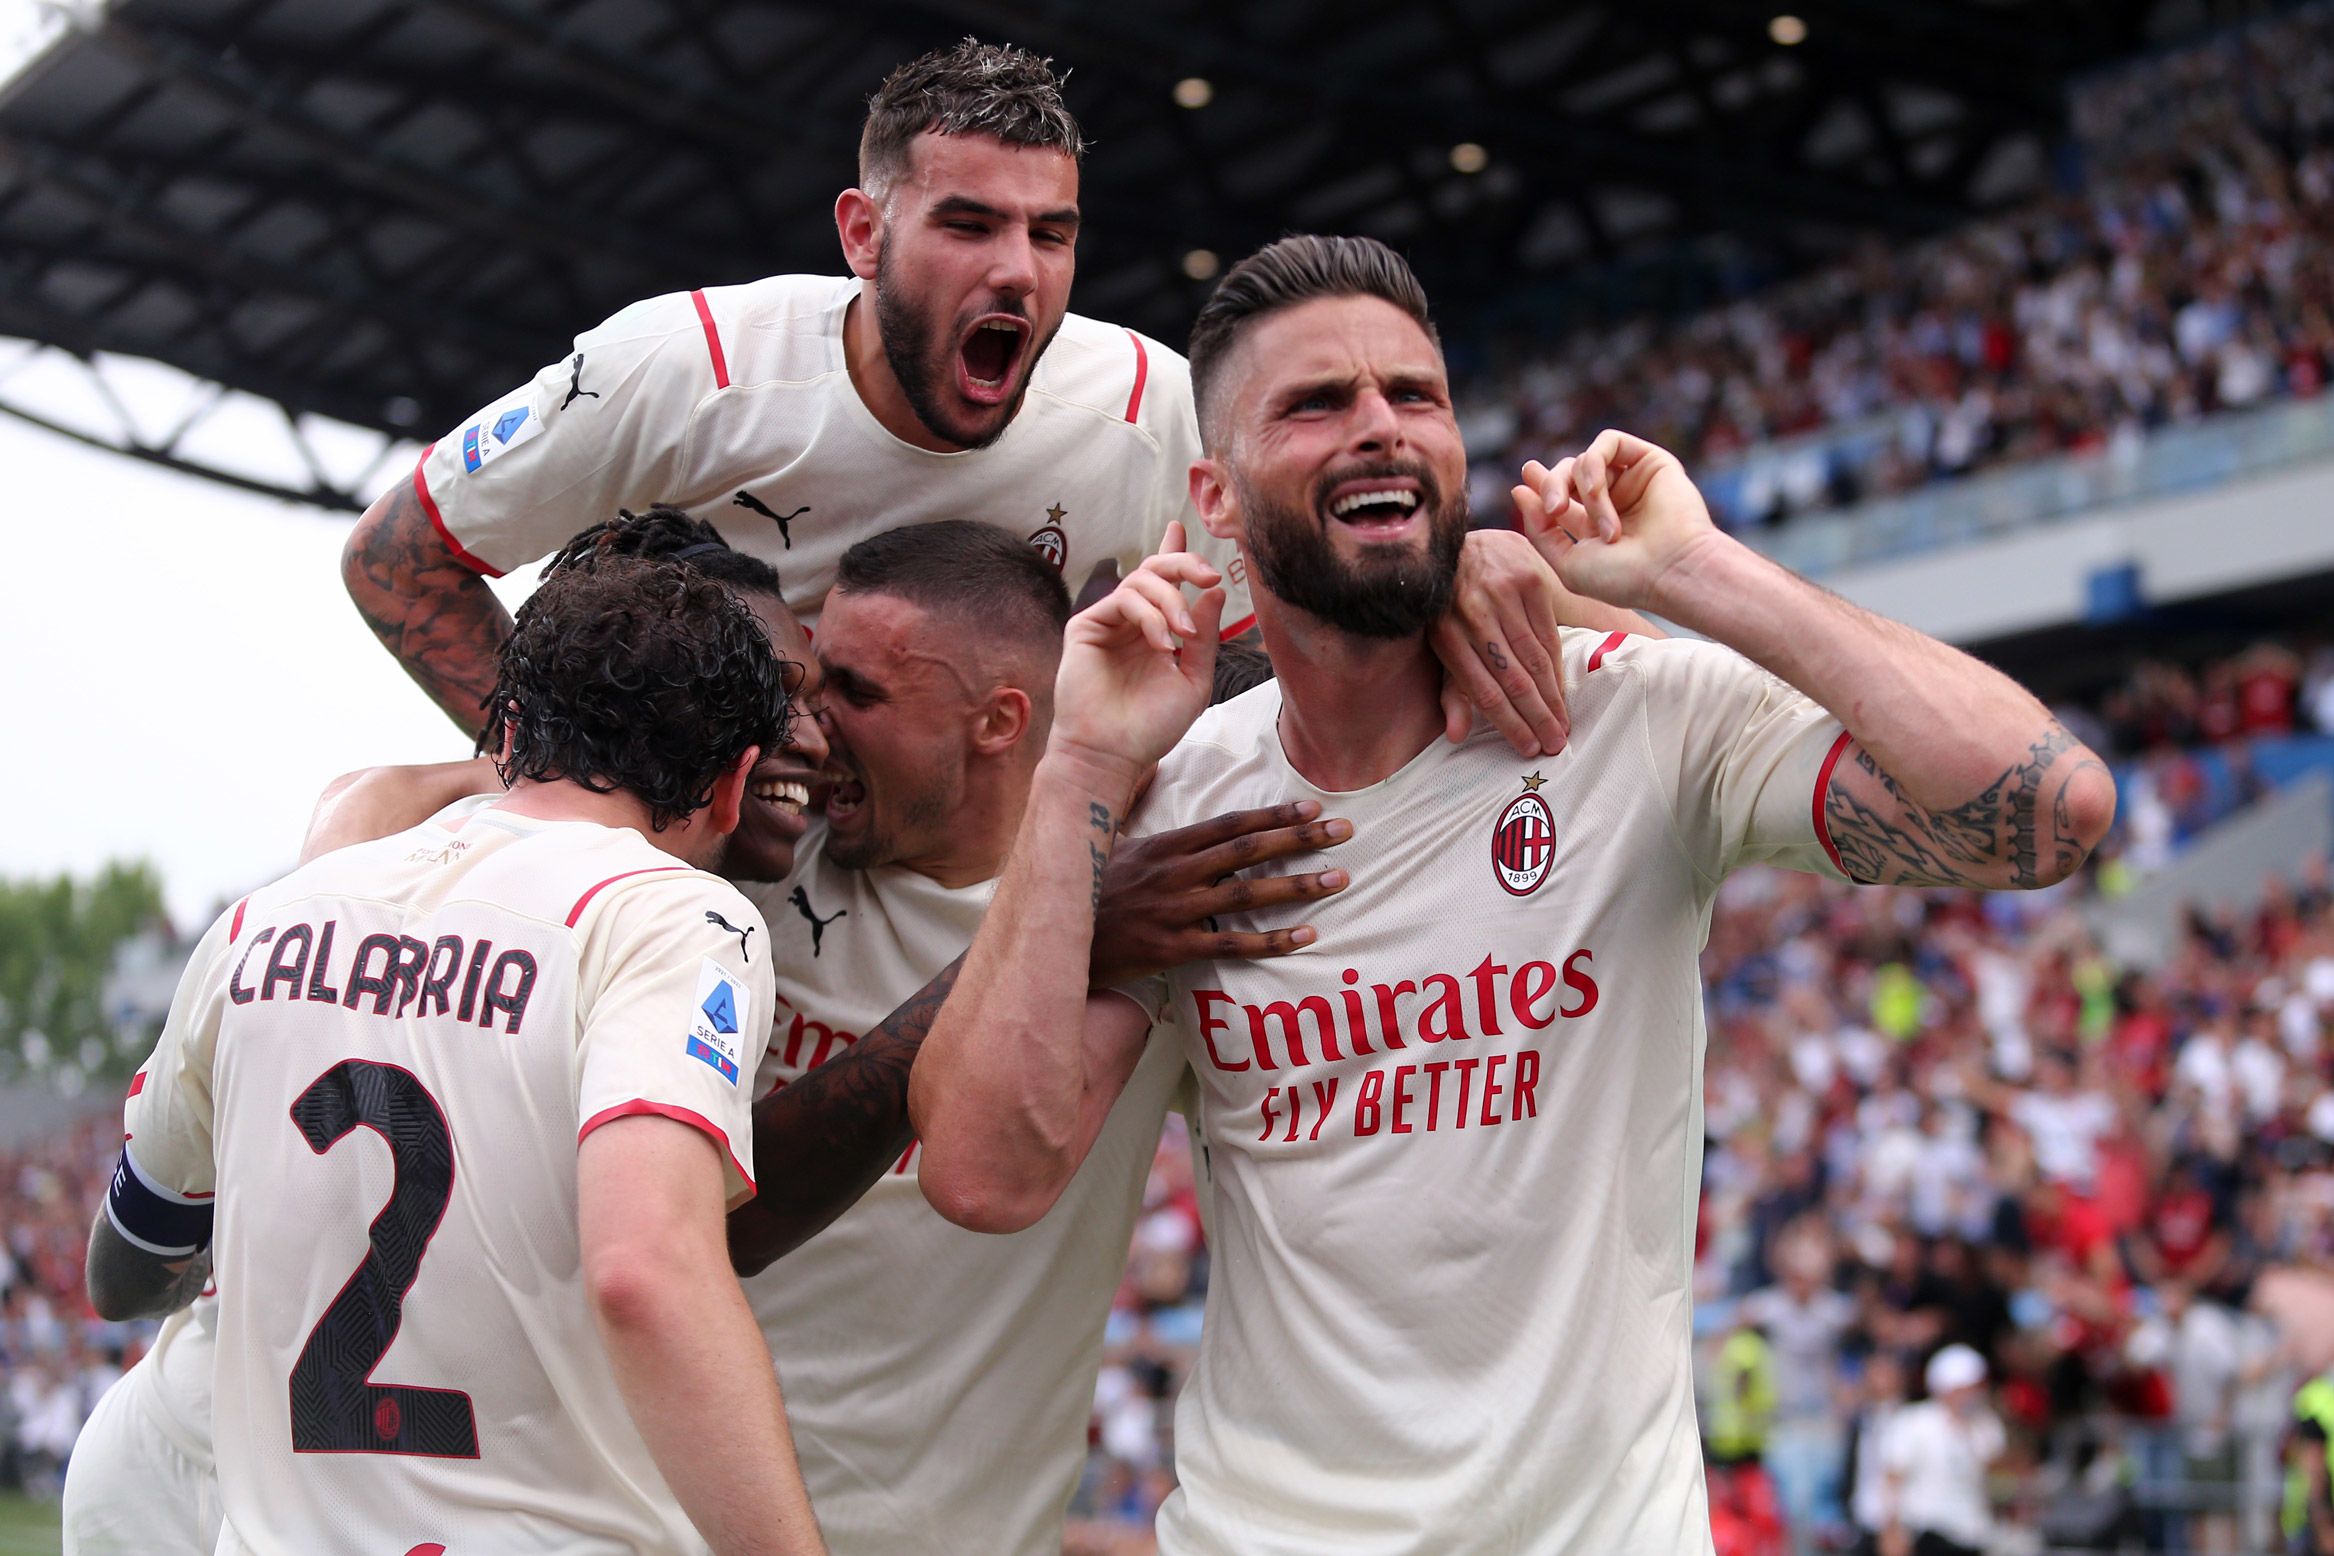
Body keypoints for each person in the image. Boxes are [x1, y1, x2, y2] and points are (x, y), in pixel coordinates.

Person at [908, 234, 2115, 1553]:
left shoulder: (1633, 720)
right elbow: (980, 1171)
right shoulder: (1177, 795)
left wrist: (1689, 572)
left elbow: (2049, 810)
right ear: (1215, 495)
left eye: (1412, 397)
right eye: (1316, 405)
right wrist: (1080, 761)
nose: (1377, 429)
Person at [341, 39, 1591, 760]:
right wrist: (571, 774)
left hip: (961, 896)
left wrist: (1448, 573)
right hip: (710, 859)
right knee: (374, 817)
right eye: (969, 224)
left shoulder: (1143, 400)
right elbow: (398, 561)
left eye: (1052, 233)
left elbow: (1275, 639)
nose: (1017, 269)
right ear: (863, 234)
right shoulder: (683, 364)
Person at [63, 509, 836, 1556]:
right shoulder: (673, 915)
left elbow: (123, 1266)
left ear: (510, 727)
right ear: (735, 779)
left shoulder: (269, 914)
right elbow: (644, 1269)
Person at [1877, 1346, 2006, 1556]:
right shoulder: (1915, 1422)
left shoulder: (1986, 1425)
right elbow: (1892, 1478)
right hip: (1928, 1531)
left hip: (1973, 1532)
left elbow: (1996, 1472)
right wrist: (1891, 1531)